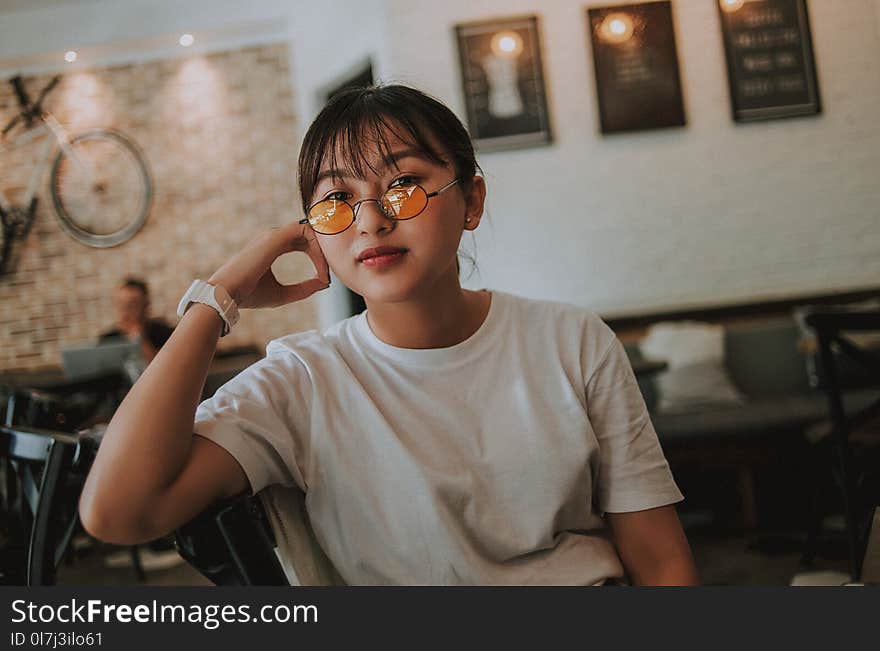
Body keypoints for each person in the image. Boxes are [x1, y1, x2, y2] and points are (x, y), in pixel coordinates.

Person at [80, 85, 699, 585]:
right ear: (312, 231)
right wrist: (220, 296)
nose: (371, 220)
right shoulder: (302, 381)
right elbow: (118, 511)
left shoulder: (573, 341)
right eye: (336, 200)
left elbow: (662, 560)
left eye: (403, 185)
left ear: (472, 201)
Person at [100, 278, 174, 364]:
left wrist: (138, 337)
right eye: (121, 303)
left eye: (132, 304)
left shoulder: (163, 333)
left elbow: (164, 367)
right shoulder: (107, 340)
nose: (125, 310)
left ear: (146, 305)